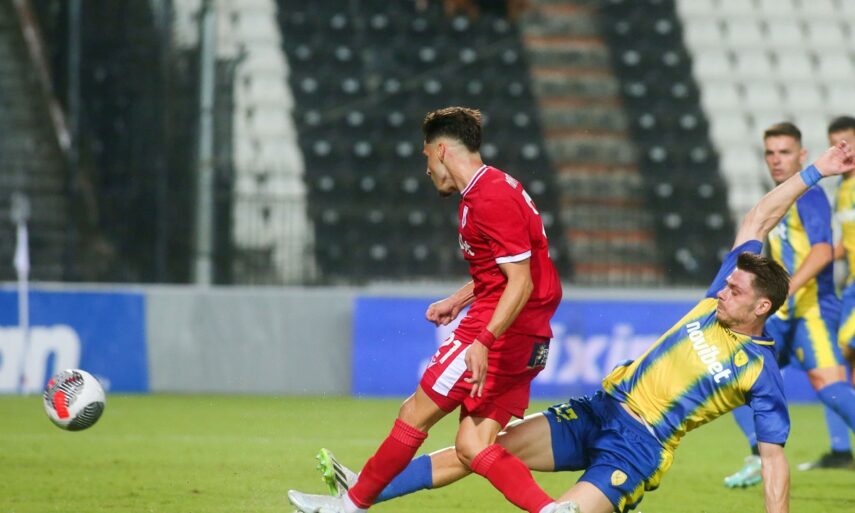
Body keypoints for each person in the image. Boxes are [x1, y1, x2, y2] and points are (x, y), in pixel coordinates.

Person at [311, 142, 855, 513]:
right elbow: (759, 218)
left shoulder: (760, 372)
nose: (724, 291)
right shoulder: (716, 299)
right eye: (728, 283)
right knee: (478, 450)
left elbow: (774, 460)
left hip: (637, 450)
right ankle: (358, 496)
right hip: (599, 410)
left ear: (762, 307)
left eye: (735, 291)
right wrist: (817, 171)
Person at [288, 106, 570, 513]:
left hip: (501, 332)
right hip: (527, 337)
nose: (427, 169)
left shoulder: (490, 197)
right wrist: (458, 299)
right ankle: (551, 510)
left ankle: (349, 506)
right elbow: (507, 271)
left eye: (426, 157)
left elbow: (521, 282)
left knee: (413, 413)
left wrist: (484, 340)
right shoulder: (493, 189)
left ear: (440, 150)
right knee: (473, 446)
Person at [724, 123, 855, 487]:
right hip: (784, 314)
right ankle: (758, 456)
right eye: (770, 152)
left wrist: (784, 291)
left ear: (802, 155)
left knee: (830, 387)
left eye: (785, 152)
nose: (776, 160)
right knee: (735, 376)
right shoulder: (783, 196)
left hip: (811, 311)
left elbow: (823, 252)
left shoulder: (808, 196)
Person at [832, 116, 855, 383]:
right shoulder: (841, 188)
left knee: (846, 343)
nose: (843, 151)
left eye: (848, 143)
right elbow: (845, 243)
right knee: (849, 355)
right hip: (851, 283)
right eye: (836, 146)